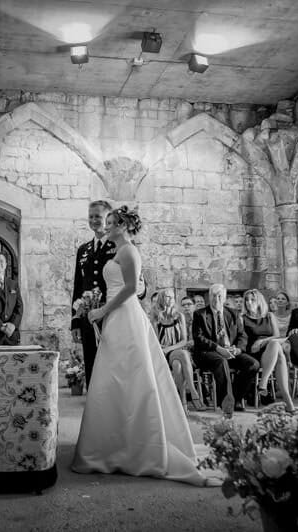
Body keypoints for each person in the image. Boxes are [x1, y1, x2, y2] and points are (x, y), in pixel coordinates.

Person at [71, 206, 217, 486]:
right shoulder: (116, 253)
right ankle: (113, 443)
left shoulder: (129, 251)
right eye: (109, 222)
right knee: (111, 380)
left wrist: (101, 311)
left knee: (134, 378)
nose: (108, 226)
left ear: (124, 227)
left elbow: (130, 289)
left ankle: (141, 446)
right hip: (115, 317)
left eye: (113, 223)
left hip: (125, 315)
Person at [192, 284, 259, 412]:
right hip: (209, 353)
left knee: (253, 364)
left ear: (224, 298)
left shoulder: (233, 314)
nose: (216, 299)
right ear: (208, 297)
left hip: (231, 351)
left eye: (219, 296)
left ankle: (236, 397)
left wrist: (238, 349)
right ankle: (226, 402)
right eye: (213, 296)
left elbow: (242, 335)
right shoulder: (200, 314)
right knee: (221, 361)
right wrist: (218, 348)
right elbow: (199, 338)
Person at [71, 200, 115, 386]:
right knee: (91, 363)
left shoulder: (117, 245)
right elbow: (78, 287)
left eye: (98, 216)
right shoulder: (83, 250)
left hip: (112, 314)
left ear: (108, 218)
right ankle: (94, 407)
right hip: (88, 318)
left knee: (111, 363)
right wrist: (75, 322)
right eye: (91, 216)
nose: (94, 220)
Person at [151, 289, 205, 412]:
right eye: (167, 297)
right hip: (163, 353)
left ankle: (184, 399)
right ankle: (193, 393)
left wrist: (169, 348)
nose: (170, 300)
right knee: (182, 355)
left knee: (177, 364)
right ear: (161, 299)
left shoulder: (179, 316)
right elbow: (155, 341)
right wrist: (164, 349)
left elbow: (184, 340)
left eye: (172, 297)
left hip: (176, 349)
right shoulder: (155, 318)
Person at [241, 289, 295, 412]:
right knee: (278, 351)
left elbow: (277, 335)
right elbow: (242, 339)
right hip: (253, 353)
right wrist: (261, 343)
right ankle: (288, 402)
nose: (249, 302)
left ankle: (263, 384)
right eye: (247, 300)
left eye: (252, 299)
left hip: (269, 350)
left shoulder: (269, 316)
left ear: (259, 301)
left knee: (275, 345)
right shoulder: (242, 318)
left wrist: (263, 341)